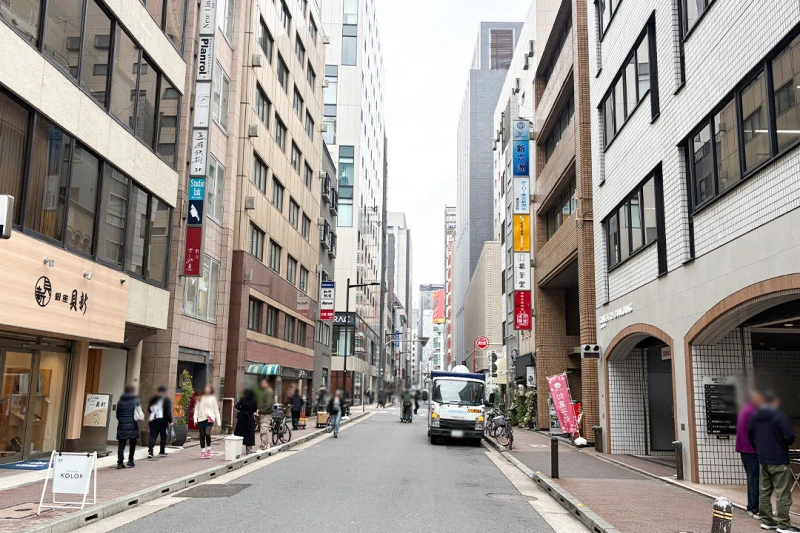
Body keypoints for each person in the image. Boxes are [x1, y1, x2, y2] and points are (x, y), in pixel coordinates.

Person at [748, 390, 797, 533]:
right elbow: (789, 436)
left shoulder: (756, 416)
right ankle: (784, 525)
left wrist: (759, 449)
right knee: (782, 493)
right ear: (775, 401)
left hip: (763, 459)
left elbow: (750, 436)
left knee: (764, 492)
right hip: (779, 458)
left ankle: (767, 521)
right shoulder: (779, 416)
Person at [736, 390, 763, 518]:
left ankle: (751, 506)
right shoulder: (753, 412)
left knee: (751, 478)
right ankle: (755, 508)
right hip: (750, 449)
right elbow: (756, 433)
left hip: (744, 449)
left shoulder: (746, 410)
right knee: (755, 478)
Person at [193, 384, 221, 459]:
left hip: (209, 419)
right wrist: (195, 419)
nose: (207, 390)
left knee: (207, 433)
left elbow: (216, 410)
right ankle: (203, 451)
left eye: (208, 388)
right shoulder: (200, 398)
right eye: (206, 388)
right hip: (201, 419)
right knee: (202, 435)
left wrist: (218, 421)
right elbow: (196, 409)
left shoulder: (212, 399)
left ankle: (209, 450)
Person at [116, 386, 141, 469]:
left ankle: (120, 462)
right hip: (133, 424)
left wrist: (122, 420)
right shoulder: (136, 400)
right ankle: (130, 460)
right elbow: (140, 411)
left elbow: (117, 415)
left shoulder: (120, 401)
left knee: (121, 444)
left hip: (122, 425)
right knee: (132, 443)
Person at [147, 386, 172, 458]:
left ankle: (150, 451)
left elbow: (149, 409)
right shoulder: (166, 400)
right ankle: (162, 451)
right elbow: (168, 411)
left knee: (153, 436)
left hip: (153, 420)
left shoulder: (153, 399)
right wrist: (170, 421)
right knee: (163, 436)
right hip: (163, 421)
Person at [235, 389, 258, 454]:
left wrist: (242, 409)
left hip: (242, 418)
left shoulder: (243, 398)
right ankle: (248, 450)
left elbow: (236, 406)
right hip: (249, 418)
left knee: (239, 433)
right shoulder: (254, 400)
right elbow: (255, 409)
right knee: (249, 434)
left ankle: (237, 450)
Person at [258, 378, 275, 450]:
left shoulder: (268, 391)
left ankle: (264, 445)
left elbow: (268, 403)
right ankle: (265, 444)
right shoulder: (266, 391)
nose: (261, 385)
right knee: (264, 429)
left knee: (264, 429)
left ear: (266, 384)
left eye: (263, 383)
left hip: (266, 413)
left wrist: (262, 410)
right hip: (264, 413)